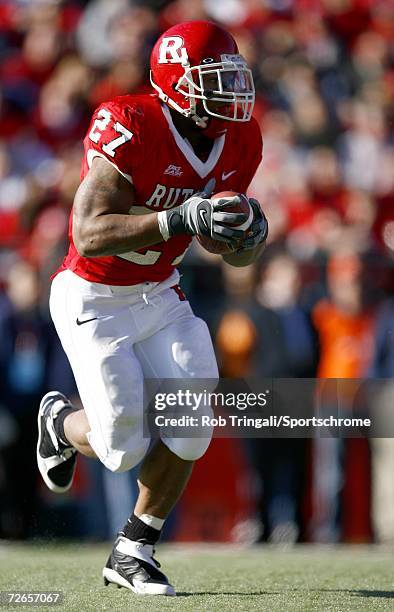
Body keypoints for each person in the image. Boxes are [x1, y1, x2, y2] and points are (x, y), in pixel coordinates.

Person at [36, 20, 267, 596]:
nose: (232, 91)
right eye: (217, 79)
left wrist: (245, 237)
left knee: (192, 423)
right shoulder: (131, 121)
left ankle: (134, 548)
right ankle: (60, 423)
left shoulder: (243, 139)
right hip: (93, 293)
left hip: (160, 289)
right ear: (177, 82)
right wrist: (177, 217)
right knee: (122, 447)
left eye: (235, 77)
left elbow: (222, 251)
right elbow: (88, 233)